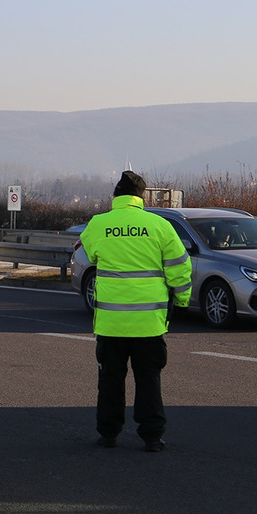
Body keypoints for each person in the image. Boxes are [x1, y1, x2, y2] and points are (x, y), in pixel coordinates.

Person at [80, 171, 192, 452]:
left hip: (111, 323)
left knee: (110, 380)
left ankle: (108, 434)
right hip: (149, 322)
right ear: (141, 197)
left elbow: (91, 254)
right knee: (148, 380)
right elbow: (180, 266)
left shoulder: (98, 224)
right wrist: (182, 300)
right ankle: (152, 437)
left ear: (116, 196)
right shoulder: (160, 226)